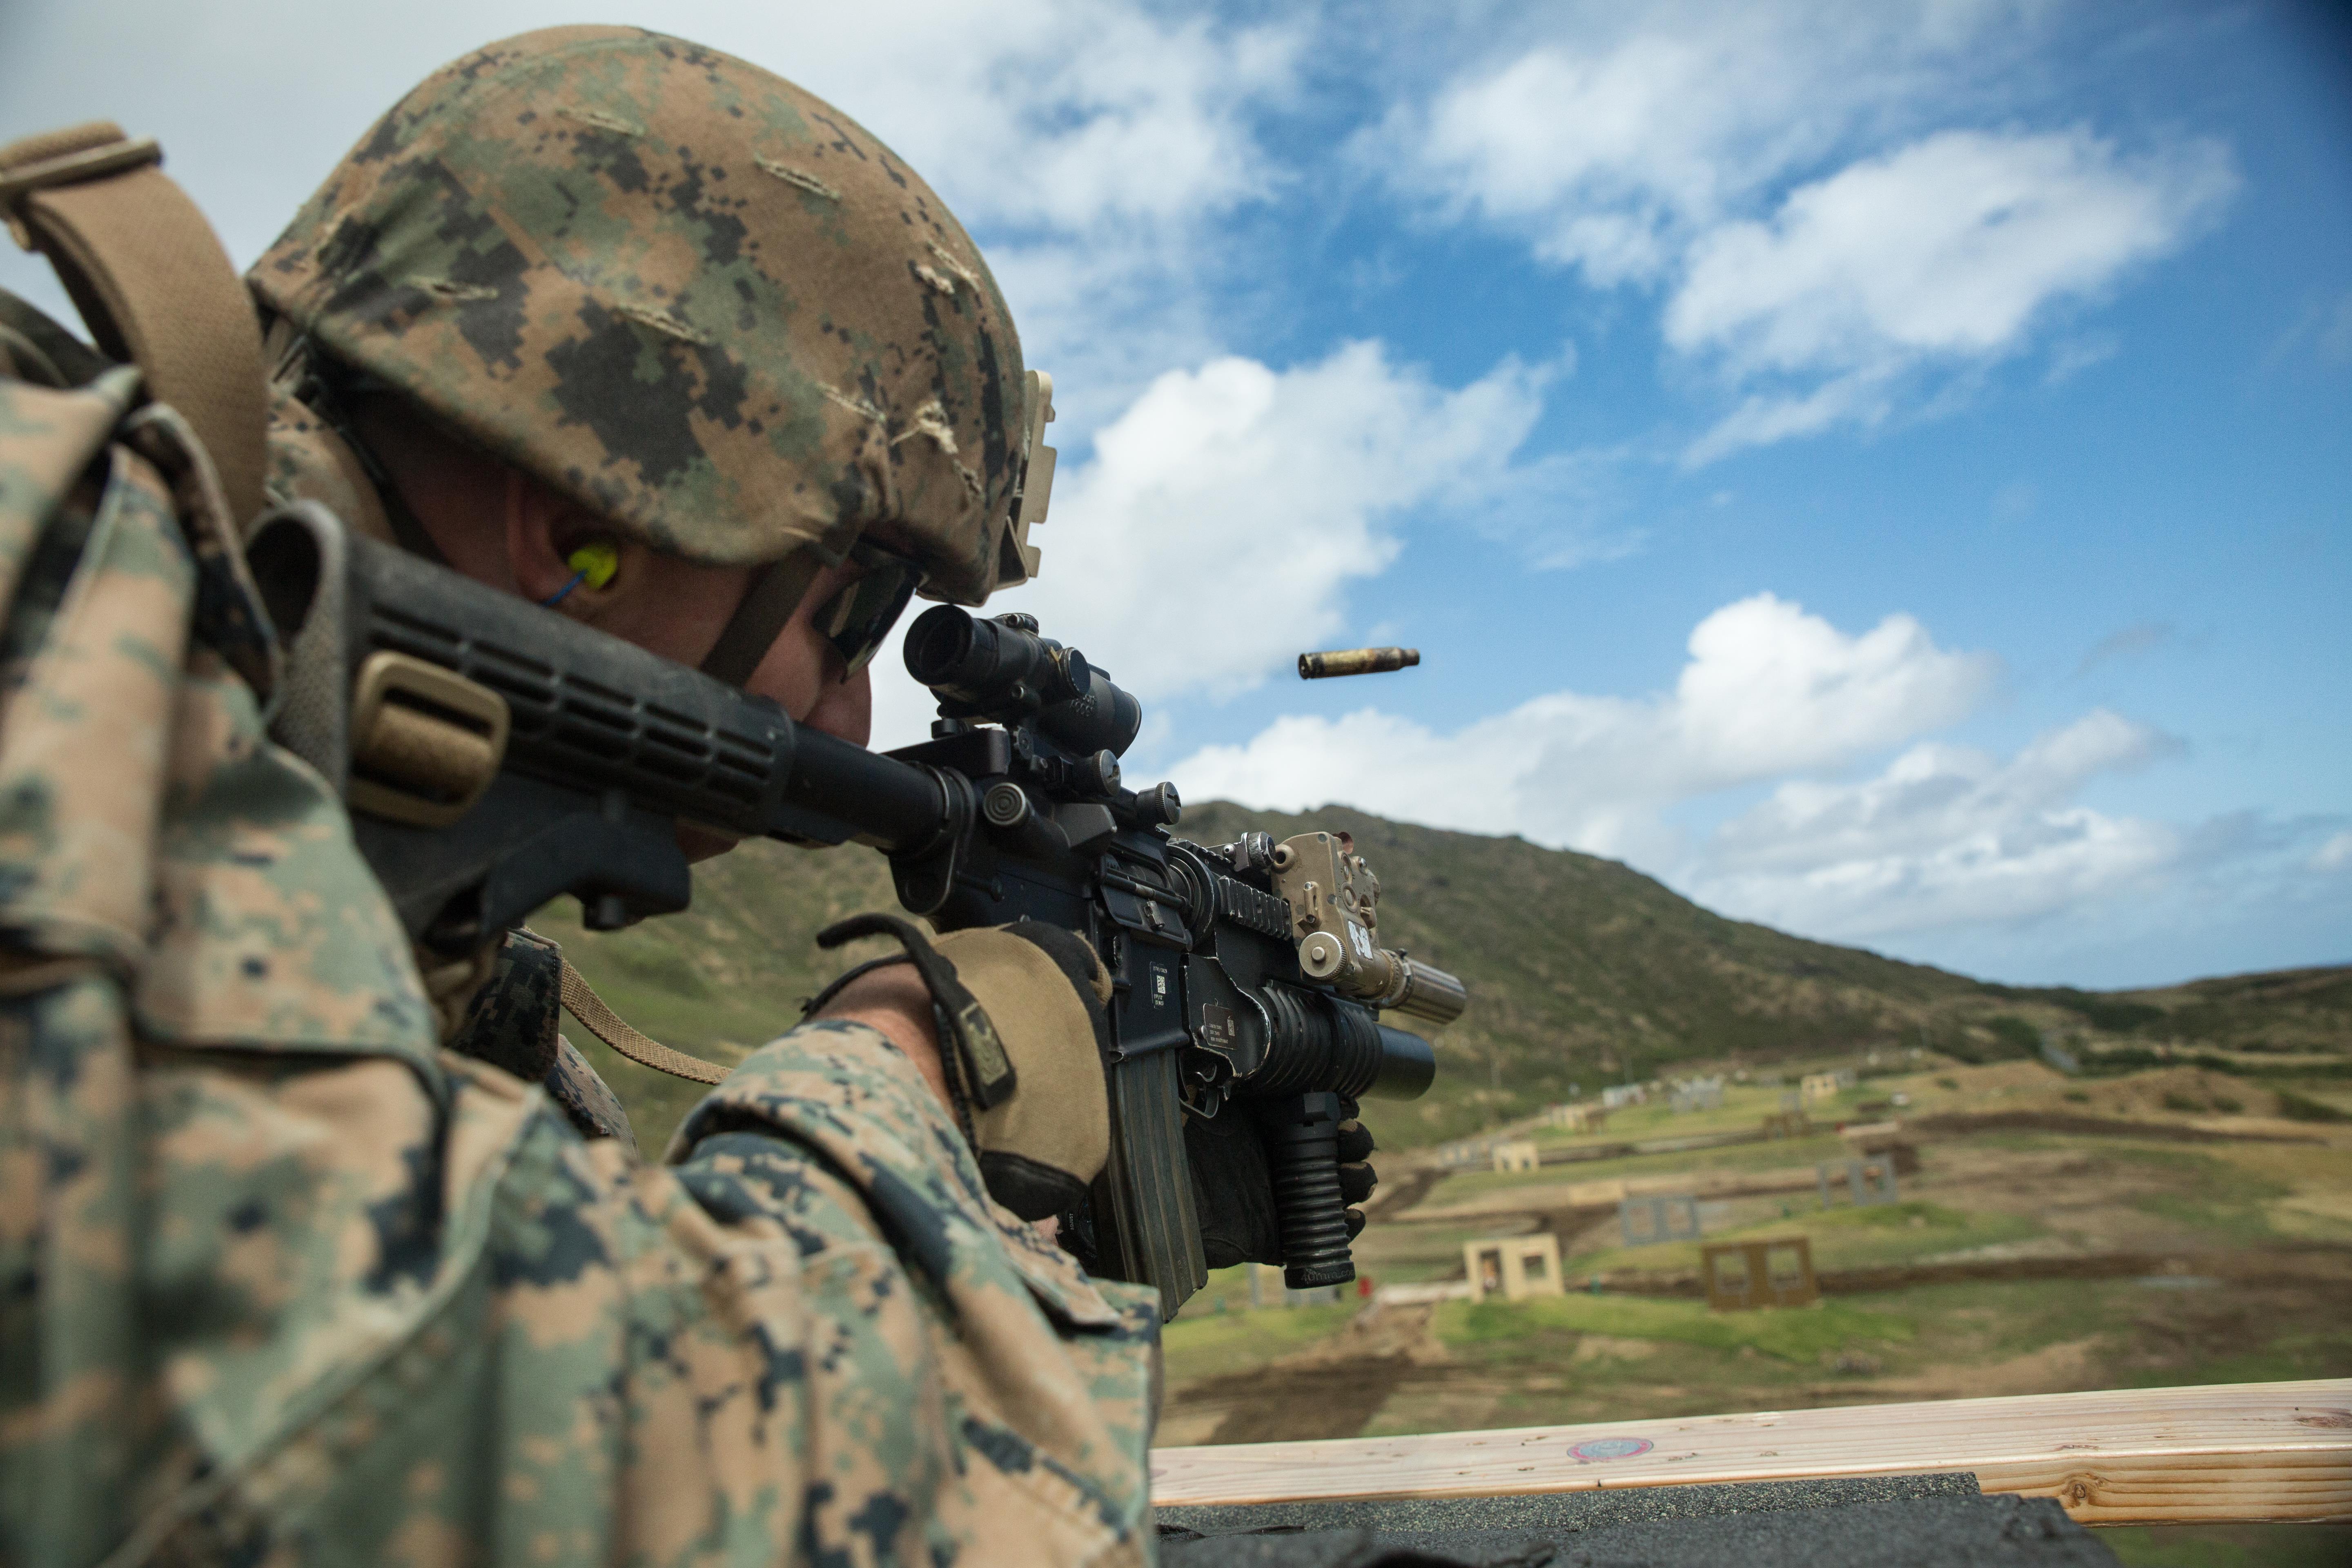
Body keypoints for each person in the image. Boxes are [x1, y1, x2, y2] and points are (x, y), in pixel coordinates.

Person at [2, 26, 1161, 1566]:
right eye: (856, 613)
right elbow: (489, 1465)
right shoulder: (55, 595)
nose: (853, 715)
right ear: (582, 528)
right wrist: (901, 1072)